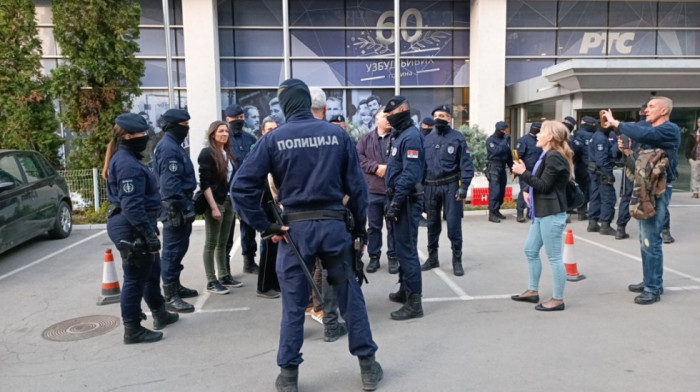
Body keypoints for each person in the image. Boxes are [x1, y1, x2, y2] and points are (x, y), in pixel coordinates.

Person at [231, 78, 382, 391]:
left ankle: (288, 376)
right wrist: (358, 230)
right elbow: (358, 189)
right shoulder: (336, 135)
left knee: (293, 304)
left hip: (294, 232)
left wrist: (265, 226)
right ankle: (368, 366)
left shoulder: (273, 140)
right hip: (334, 228)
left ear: (285, 105)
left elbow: (241, 188)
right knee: (349, 296)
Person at [104, 113, 178, 344]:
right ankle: (132, 329)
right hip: (131, 225)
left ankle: (159, 312)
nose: (145, 137)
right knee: (135, 278)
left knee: (151, 271)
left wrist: (149, 230)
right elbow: (132, 204)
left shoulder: (128, 157)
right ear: (127, 136)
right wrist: (147, 233)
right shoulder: (126, 163)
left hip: (138, 222)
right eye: (141, 133)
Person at [603, 97, 680, 305]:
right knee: (645, 238)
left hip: (658, 190)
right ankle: (650, 280)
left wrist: (618, 123)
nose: (647, 110)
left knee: (650, 239)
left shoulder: (669, 129)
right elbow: (638, 163)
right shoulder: (652, 134)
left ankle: (653, 288)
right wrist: (627, 150)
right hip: (645, 188)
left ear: (664, 110)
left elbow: (644, 133)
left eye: (652, 107)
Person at [511, 121, 573, 312]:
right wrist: (527, 184)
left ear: (551, 137)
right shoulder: (547, 155)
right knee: (530, 250)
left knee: (554, 257)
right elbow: (541, 183)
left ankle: (558, 299)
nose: (537, 135)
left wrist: (523, 173)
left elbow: (544, 185)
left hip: (551, 213)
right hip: (541, 212)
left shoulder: (554, 157)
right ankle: (532, 291)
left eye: (541, 132)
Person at [383, 96, 426, 320]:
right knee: (401, 249)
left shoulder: (411, 137)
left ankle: (414, 303)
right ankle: (404, 289)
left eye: (391, 114)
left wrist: (397, 202)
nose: (388, 118)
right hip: (398, 198)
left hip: (407, 200)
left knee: (407, 252)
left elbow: (410, 174)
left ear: (403, 111)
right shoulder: (399, 135)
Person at [420, 105, 474, 276]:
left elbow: (466, 164)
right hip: (430, 187)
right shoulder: (426, 139)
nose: (439, 118)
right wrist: (420, 189)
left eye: (442, 115)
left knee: (453, 224)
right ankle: (432, 257)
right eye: (436, 115)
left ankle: (456, 260)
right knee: (432, 225)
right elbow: (420, 166)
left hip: (451, 186)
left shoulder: (457, 138)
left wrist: (464, 186)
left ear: (449, 118)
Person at [153, 109, 198, 313]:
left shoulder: (173, 145)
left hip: (179, 205)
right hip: (175, 207)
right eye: (184, 125)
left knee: (179, 249)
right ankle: (170, 295)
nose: (187, 129)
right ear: (174, 126)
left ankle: (175, 285)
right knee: (172, 251)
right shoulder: (169, 148)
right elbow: (170, 184)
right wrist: (183, 206)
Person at [198, 121, 241, 295]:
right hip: (216, 202)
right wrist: (214, 207)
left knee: (223, 242)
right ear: (213, 134)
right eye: (220, 131)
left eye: (226, 131)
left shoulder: (228, 153)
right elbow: (204, 183)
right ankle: (211, 280)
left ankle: (224, 275)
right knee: (211, 242)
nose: (224, 134)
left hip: (229, 201)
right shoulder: (207, 153)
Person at [357, 107, 396, 274]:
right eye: (384, 116)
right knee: (373, 227)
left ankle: (393, 257)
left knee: (393, 226)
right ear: (376, 120)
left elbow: (403, 158)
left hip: (392, 191)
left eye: (390, 116)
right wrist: (375, 167)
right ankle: (374, 257)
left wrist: (388, 168)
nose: (388, 119)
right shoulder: (366, 139)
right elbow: (359, 158)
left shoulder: (398, 137)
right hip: (372, 191)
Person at [224, 104, 260, 275]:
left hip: (247, 192)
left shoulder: (250, 139)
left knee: (248, 229)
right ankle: (225, 267)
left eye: (241, 118)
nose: (238, 121)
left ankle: (249, 261)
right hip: (228, 192)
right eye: (234, 119)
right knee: (227, 231)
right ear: (227, 120)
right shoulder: (224, 139)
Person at [256, 117, 281, 299]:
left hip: (277, 205)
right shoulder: (259, 150)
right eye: (269, 129)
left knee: (277, 247)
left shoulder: (277, 149)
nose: (273, 131)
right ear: (263, 132)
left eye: (275, 128)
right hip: (265, 205)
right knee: (268, 246)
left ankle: (275, 283)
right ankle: (264, 287)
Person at [615, 105, 647, 240]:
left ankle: (620, 228)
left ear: (640, 112)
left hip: (632, 167)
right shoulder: (658, 128)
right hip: (650, 168)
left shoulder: (631, 130)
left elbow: (617, 152)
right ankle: (664, 231)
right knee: (653, 198)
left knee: (627, 197)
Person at [587, 121, 618, 235]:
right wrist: (609, 174)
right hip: (602, 172)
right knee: (608, 198)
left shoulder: (596, 136)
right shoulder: (601, 138)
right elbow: (601, 159)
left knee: (596, 196)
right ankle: (605, 224)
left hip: (595, 171)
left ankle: (593, 222)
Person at [515, 122, 543, 222]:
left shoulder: (540, 141)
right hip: (525, 171)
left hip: (538, 171)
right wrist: (518, 170)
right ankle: (520, 212)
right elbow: (516, 156)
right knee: (524, 190)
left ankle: (530, 212)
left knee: (534, 192)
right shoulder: (523, 140)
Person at [486, 121, 513, 223]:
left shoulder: (505, 140)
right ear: (498, 130)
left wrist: (511, 166)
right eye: (503, 130)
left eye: (505, 130)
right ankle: (492, 213)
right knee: (495, 191)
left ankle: (497, 210)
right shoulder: (491, 140)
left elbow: (508, 154)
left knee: (502, 191)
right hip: (493, 167)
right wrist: (504, 143)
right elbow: (497, 151)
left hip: (502, 167)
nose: (505, 132)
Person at [571, 116, 596, 220]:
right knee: (591, 189)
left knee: (582, 188)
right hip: (590, 165)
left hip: (581, 165)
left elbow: (576, 150)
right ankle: (585, 211)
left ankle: (581, 210)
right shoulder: (594, 135)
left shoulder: (578, 134)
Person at [686, 117, 700, 198]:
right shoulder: (693, 134)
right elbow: (688, 147)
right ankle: (695, 191)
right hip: (695, 158)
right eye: (699, 122)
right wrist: (689, 158)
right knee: (695, 176)